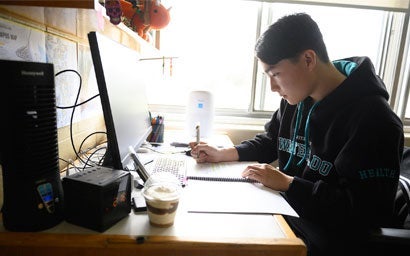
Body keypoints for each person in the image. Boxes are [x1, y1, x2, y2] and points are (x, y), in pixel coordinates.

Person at [189, 13, 404, 256]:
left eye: (276, 74)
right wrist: (224, 153)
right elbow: (272, 140)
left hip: (330, 239)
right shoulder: (297, 97)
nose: (272, 87)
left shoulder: (375, 122)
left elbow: (363, 212)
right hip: (291, 213)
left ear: (308, 59)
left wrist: (289, 184)